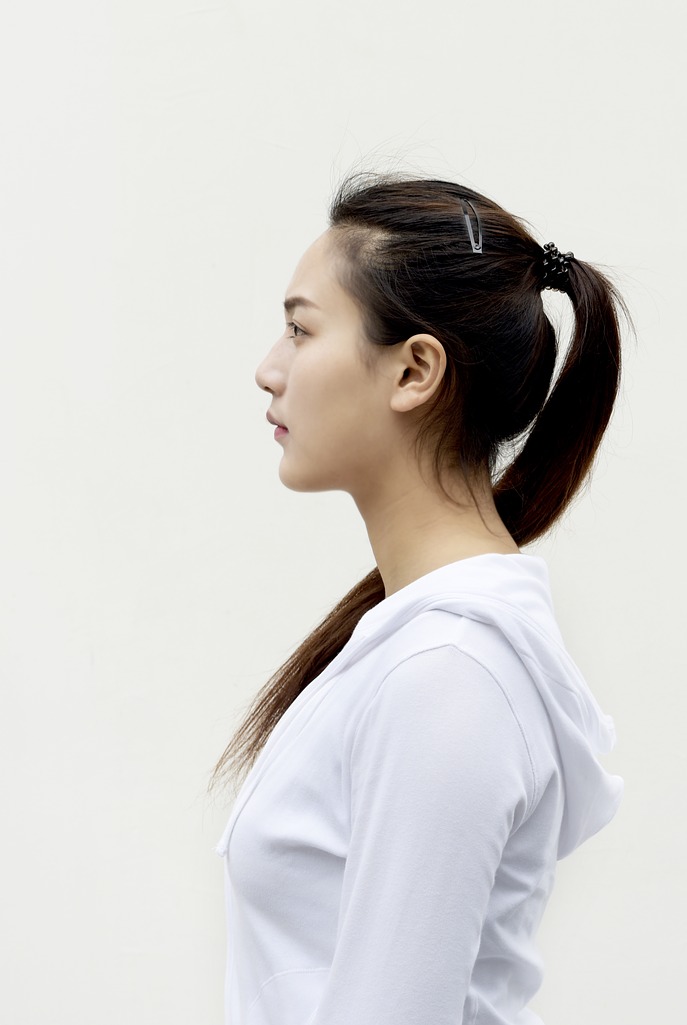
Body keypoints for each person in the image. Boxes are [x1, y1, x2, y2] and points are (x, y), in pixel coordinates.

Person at [214, 173, 628, 1024]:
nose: (268, 368)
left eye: (300, 328)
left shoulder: (449, 676)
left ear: (414, 369)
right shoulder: (421, 648)